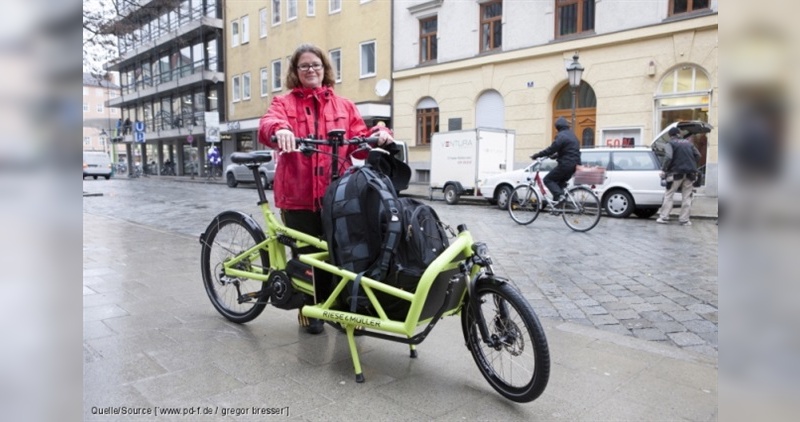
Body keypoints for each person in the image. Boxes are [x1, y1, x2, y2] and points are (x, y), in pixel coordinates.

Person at [258, 43, 393, 334]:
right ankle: (309, 308)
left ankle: (343, 309)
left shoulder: (343, 105)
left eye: (316, 65)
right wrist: (280, 130)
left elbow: (359, 141)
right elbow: (268, 124)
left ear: (325, 69)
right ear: (296, 71)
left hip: (337, 195)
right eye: (304, 65)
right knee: (307, 253)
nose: (311, 70)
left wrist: (379, 134)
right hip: (298, 197)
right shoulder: (284, 103)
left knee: (342, 253)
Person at [530, 117, 581, 206]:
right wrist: (556, 156)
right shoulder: (573, 136)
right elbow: (569, 150)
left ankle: (561, 196)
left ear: (557, 127)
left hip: (566, 164)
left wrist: (537, 155)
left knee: (548, 179)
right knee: (558, 184)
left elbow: (551, 149)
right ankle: (557, 206)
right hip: (575, 165)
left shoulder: (561, 136)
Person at [656, 127, 701, 226]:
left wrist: (664, 169)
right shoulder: (689, 143)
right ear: (679, 134)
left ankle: (664, 217)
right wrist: (692, 165)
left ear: (670, 135)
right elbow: (698, 155)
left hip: (675, 174)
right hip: (690, 174)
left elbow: (668, 157)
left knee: (669, 195)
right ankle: (684, 220)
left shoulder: (670, 143)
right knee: (687, 197)